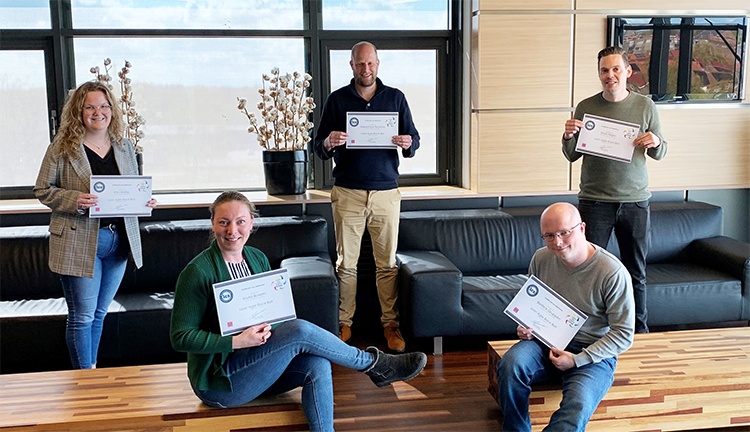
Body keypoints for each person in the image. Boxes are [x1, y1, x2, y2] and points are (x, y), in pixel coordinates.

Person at [170, 191, 427, 432]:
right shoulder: (197, 272)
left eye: (240, 222)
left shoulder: (256, 258)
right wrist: (237, 341)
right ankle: (374, 364)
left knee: (317, 363)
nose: (232, 230)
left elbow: (271, 314)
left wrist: (270, 327)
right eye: (224, 222)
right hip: (220, 382)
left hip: (259, 366)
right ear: (213, 224)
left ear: (251, 223)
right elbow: (181, 337)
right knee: (299, 330)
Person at [34, 81, 157, 369]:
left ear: (112, 110)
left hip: (118, 241)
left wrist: (144, 201)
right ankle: (84, 380)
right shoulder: (61, 148)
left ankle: (92, 371)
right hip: (78, 240)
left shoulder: (124, 147)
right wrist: (75, 199)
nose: (98, 112)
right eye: (90, 107)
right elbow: (42, 190)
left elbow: (130, 189)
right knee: (82, 317)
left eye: (103, 106)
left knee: (100, 313)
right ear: (78, 111)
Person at [314, 41, 420, 352]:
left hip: (386, 193)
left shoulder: (395, 98)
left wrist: (407, 142)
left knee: (386, 264)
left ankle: (390, 324)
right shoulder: (337, 100)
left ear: (378, 64)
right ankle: (343, 322)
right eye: (360, 64)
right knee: (346, 264)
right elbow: (318, 146)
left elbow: (414, 140)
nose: (366, 69)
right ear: (352, 65)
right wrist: (329, 142)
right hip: (347, 192)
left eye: (370, 63)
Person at [496, 202, 635, 432]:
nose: (557, 242)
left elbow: (624, 334)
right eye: (549, 236)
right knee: (510, 365)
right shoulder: (541, 258)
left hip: (592, 354)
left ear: (582, 228)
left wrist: (577, 359)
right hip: (545, 343)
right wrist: (525, 326)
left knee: (577, 406)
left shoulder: (612, 272)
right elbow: (532, 305)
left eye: (564, 233)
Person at [562, 46, 667, 333]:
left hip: (635, 202)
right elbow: (571, 155)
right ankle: (585, 334)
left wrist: (656, 141)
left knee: (636, 272)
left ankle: (639, 333)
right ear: (599, 74)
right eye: (604, 70)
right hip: (594, 202)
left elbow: (660, 152)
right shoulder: (586, 106)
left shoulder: (645, 106)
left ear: (628, 72)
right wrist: (568, 136)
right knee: (588, 272)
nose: (610, 75)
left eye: (616, 69)